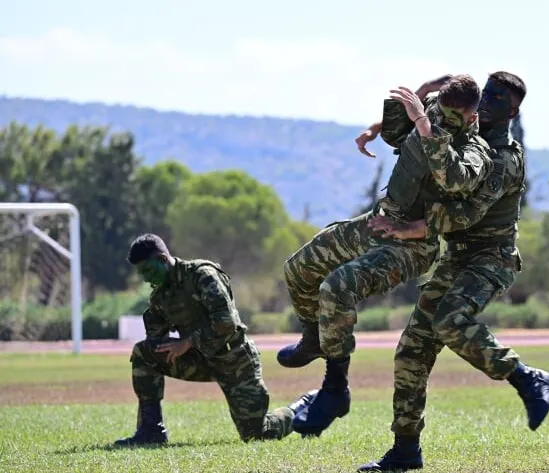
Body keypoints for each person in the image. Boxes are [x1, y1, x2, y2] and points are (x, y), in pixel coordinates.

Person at [358, 72, 549, 472]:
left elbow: (464, 214)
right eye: (487, 93)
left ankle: (525, 377)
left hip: (491, 257)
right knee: (412, 349)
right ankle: (405, 450)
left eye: (499, 99)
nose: (488, 101)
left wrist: (407, 229)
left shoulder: (503, 158)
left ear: (513, 112)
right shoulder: (464, 128)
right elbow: (420, 128)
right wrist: (387, 121)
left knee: (450, 320)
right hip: (457, 257)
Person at [278, 75, 496, 437]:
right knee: (299, 268)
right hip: (379, 223)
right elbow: (396, 133)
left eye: (451, 118)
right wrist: (413, 100)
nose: (441, 120)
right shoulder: (435, 110)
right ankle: (315, 337)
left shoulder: (476, 152)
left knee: (337, 286)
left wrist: (424, 123)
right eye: (438, 112)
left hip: (412, 245)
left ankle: (334, 389)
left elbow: (454, 180)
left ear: (472, 118)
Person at [113, 233, 305, 446]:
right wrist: (161, 348)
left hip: (235, 361)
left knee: (256, 433)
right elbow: (155, 340)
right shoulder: (159, 297)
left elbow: (226, 322)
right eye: (141, 273)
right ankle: (151, 430)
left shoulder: (202, 275)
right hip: (200, 361)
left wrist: (187, 342)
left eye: (148, 270)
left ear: (162, 259)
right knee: (144, 353)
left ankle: (302, 407)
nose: (146, 278)